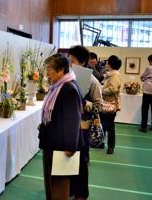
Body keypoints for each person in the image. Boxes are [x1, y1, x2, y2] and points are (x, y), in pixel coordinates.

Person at [37, 53, 84, 200]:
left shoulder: (68, 88)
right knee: (51, 181)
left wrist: (70, 147)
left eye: (50, 69)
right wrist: (45, 124)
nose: (47, 73)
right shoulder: (58, 86)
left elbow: (73, 120)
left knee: (59, 184)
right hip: (52, 141)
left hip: (62, 146)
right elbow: (56, 113)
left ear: (61, 70)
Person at [68, 45, 102, 200]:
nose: (69, 64)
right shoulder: (68, 78)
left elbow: (98, 106)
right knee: (67, 158)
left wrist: (85, 104)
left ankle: (82, 194)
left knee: (81, 161)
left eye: (72, 61)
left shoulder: (93, 81)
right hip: (68, 126)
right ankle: (69, 189)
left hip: (83, 127)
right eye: (69, 60)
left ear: (82, 62)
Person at [100, 55, 122, 154]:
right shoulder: (110, 74)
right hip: (105, 103)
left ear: (110, 64)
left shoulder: (115, 75)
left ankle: (111, 146)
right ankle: (101, 142)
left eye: (108, 62)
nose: (106, 63)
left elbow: (113, 89)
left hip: (110, 103)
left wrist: (101, 90)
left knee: (109, 127)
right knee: (104, 125)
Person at [139, 55, 152, 132]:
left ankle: (144, 127)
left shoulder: (149, 68)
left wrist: (144, 79)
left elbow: (142, 77)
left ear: (150, 60)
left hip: (148, 89)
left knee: (145, 109)